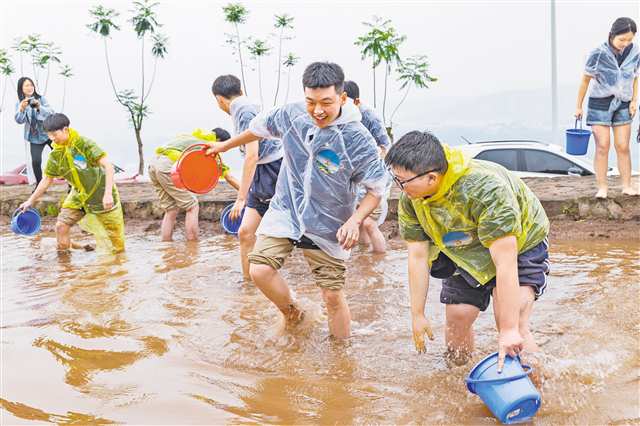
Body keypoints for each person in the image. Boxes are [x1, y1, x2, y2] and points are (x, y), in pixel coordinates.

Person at [207, 62, 387, 339]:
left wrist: (355, 220)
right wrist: (225, 145)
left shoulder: (357, 138)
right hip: (287, 212)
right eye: (311, 102)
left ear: (341, 98)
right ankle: (294, 314)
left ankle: (341, 362)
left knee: (332, 296)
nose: (317, 110)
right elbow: (258, 129)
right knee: (259, 270)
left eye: (326, 102)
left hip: (329, 224)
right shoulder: (292, 114)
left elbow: (376, 189)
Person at [386, 131, 549, 372]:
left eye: (402, 181)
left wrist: (507, 329)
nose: (398, 187)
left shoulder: (485, 188)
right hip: (461, 249)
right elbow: (418, 257)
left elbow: (505, 262)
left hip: (519, 244)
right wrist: (417, 314)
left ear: (431, 177)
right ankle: (461, 378)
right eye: (395, 179)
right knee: (457, 318)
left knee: (513, 321)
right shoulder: (411, 197)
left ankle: (538, 388)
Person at [19, 113, 125, 253]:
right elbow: (47, 179)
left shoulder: (84, 144)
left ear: (65, 129)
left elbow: (108, 166)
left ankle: (117, 268)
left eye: (54, 134)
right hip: (79, 196)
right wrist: (30, 201)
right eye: (49, 135)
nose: (52, 138)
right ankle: (65, 268)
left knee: (116, 243)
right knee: (61, 226)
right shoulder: (56, 154)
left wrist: (107, 195)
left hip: (101, 193)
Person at [212, 75, 284, 280]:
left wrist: (241, 199)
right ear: (240, 90)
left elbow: (252, 155)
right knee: (245, 232)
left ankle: (265, 276)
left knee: (283, 229)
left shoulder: (243, 111)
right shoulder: (244, 106)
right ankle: (249, 285)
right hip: (265, 171)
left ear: (219, 99)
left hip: (271, 170)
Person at [575, 17, 639, 198]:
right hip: (600, 103)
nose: (625, 44)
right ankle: (602, 187)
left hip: (623, 103)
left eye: (629, 40)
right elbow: (585, 81)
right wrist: (578, 106)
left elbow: (635, 77)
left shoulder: (635, 52)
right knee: (603, 146)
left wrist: (634, 101)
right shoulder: (598, 53)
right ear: (612, 35)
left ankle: (626, 185)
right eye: (622, 40)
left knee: (623, 146)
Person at [149, 128, 239, 242]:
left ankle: (166, 246)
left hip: (153, 164)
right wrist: (246, 192)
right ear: (219, 141)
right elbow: (228, 176)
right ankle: (193, 245)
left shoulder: (191, 137)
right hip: (167, 166)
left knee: (171, 209)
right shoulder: (207, 146)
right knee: (192, 206)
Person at [344, 80, 390, 253]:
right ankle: (364, 258)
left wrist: (369, 165)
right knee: (359, 220)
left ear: (356, 102)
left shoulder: (369, 117)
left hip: (374, 177)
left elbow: (385, 147)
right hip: (355, 177)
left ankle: (380, 259)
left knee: (369, 222)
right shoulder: (341, 117)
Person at [14, 77, 55, 187]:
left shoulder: (41, 99)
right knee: (36, 162)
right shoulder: (20, 103)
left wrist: (39, 107)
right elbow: (19, 120)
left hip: (49, 134)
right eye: (26, 85)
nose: (30, 87)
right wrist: (21, 109)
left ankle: (71, 184)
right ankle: (39, 185)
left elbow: (51, 113)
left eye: (31, 85)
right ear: (21, 88)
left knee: (60, 156)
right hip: (34, 137)